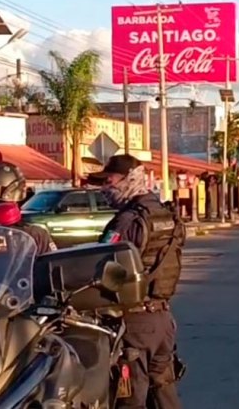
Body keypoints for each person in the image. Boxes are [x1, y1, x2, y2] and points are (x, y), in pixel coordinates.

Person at [88, 154, 185, 409]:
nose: (105, 189)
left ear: (130, 179)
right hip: (162, 320)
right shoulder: (168, 215)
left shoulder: (128, 221)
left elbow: (102, 265)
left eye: (109, 181)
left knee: (130, 399)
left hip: (134, 322)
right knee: (164, 393)